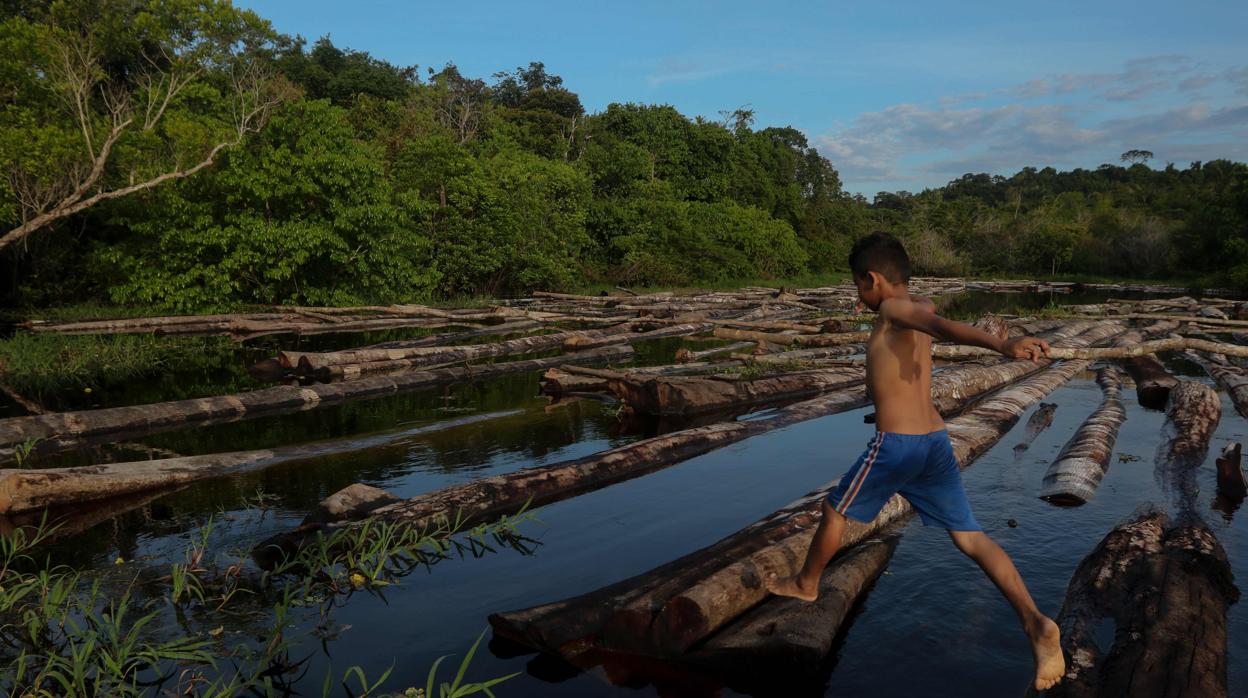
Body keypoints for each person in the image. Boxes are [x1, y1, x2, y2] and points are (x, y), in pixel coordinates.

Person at [765, 231, 1065, 692]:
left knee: (833, 511)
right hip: (933, 442)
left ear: (872, 280)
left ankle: (807, 583)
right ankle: (1034, 621)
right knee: (971, 538)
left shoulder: (891, 309)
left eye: (856, 285)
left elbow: (943, 328)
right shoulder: (917, 305)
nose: (856, 295)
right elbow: (930, 320)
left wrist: (1000, 346)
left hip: (897, 446)